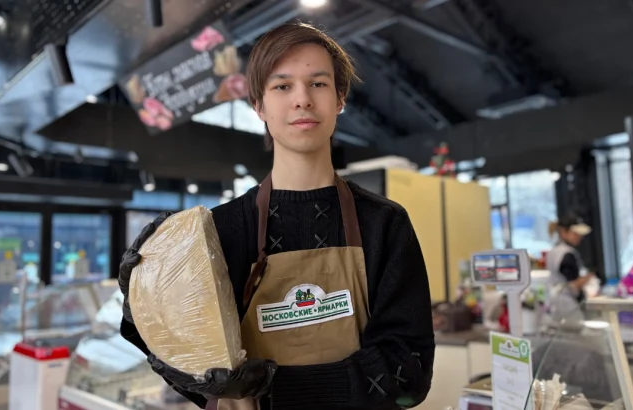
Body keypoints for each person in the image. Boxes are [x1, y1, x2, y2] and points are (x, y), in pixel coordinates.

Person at [117, 22, 435, 410]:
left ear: (340, 98)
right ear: (259, 105)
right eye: (282, 86)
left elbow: (410, 373)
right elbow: (197, 373)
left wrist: (275, 388)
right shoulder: (219, 231)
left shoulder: (384, 223)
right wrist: (141, 307)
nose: (302, 99)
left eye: (318, 83)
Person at [545, 213, 595, 323]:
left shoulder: (553, 251)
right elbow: (573, 284)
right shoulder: (567, 254)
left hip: (554, 303)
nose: (579, 237)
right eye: (575, 233)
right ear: (563, 232)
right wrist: (589, 278)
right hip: (568, 305)